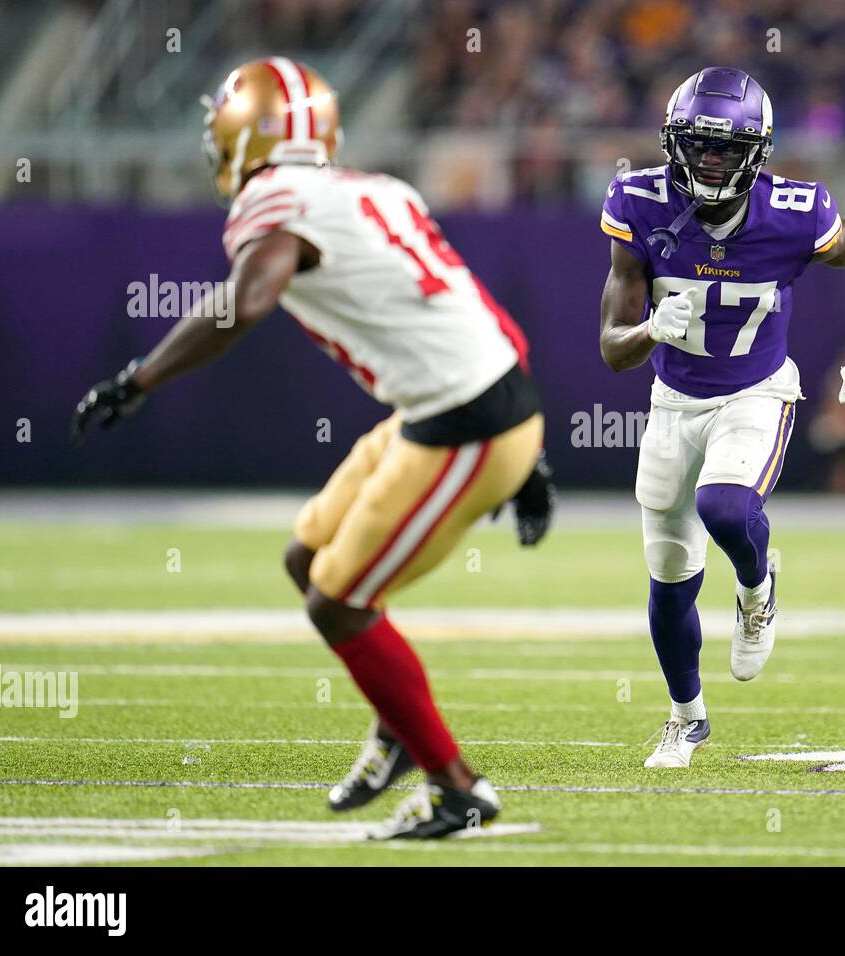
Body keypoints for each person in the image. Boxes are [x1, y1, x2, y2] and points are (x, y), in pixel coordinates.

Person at [70, 58, 554, 838]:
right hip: (460, 401)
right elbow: (475, 312)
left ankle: (458, 789)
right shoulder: (374, 189)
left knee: (340, 601)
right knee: (308, 558)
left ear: (241, 134)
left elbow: (248, 299)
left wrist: (142, 377)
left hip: (468, 422)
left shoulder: (278, 199)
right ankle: (398, 727)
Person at [598, 66, 845, 768]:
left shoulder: (795, 211)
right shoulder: (638, 203)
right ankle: (685, 718)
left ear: (756, 153)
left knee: (726, 508)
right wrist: (649, 332)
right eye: (697, 144)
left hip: (754, 393)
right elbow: (613, 351)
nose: (708, 160)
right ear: (673, 142)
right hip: (673, 404)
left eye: (724, 149)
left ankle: (758, 589)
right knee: (670, 577)